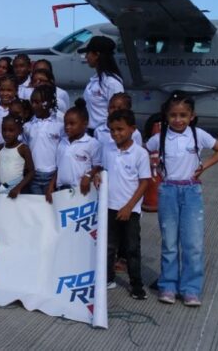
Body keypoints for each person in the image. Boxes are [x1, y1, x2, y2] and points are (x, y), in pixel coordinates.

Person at [145, 93, 218, 306]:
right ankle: (168, 286)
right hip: (168, 191)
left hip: (191, 192)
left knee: (193, 243)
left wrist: (203, 167)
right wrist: (152, 168)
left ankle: (191, 289)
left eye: (183, 115)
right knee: (170, 243)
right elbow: (141, 153)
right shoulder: (159, 137)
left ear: (192, 116)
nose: (178, 119)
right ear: (166, 116)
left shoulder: (197, 134)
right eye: (173, 115)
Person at [95, 109, 151, 300]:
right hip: (109, 207)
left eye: (120, 129)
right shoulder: (108, 149)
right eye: (112, 130)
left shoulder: (140, 153)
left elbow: (144, 182)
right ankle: (108, 278)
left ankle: (136, 285)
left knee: (131, 249)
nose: (116, 134)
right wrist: (96, 176)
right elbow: (103, 169)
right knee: (109, 246)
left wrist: (129, 207)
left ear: (132, 129)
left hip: (130, 210)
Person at [46, 99, 101, 202]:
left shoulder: (92, 143)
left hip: (81, 192)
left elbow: (98, 166)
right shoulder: (62, 142)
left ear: (84, 124)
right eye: (66, 123)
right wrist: (51, 185)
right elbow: (59, 167)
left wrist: (88, 176)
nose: (67, 127)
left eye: (72, 124)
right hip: (61, 191)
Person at [22, 84, 64, 194]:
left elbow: (62, 152)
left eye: (37, 102)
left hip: (52, 175)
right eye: (32, 102)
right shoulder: (28, 126)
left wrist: (56, 176)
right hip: (33, 175)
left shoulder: (59, 125)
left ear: (48, 103)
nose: (33, 105)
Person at [79, 36, 124, 133]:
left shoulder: (112, 83)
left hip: (105, 133)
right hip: (90, 132)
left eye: (88, 53)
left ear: (97, 55)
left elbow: (119, 114)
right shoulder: (94, 80)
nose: (86, 56)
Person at [0, 115, 34, 199]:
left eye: (11, 130)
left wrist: (18, 188)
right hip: (0, 190)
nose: (7, 133)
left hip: (16, 192)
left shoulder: (23, 149)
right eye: (4, 130)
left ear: (20, 131)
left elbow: (31, 172)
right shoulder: (0, 148)